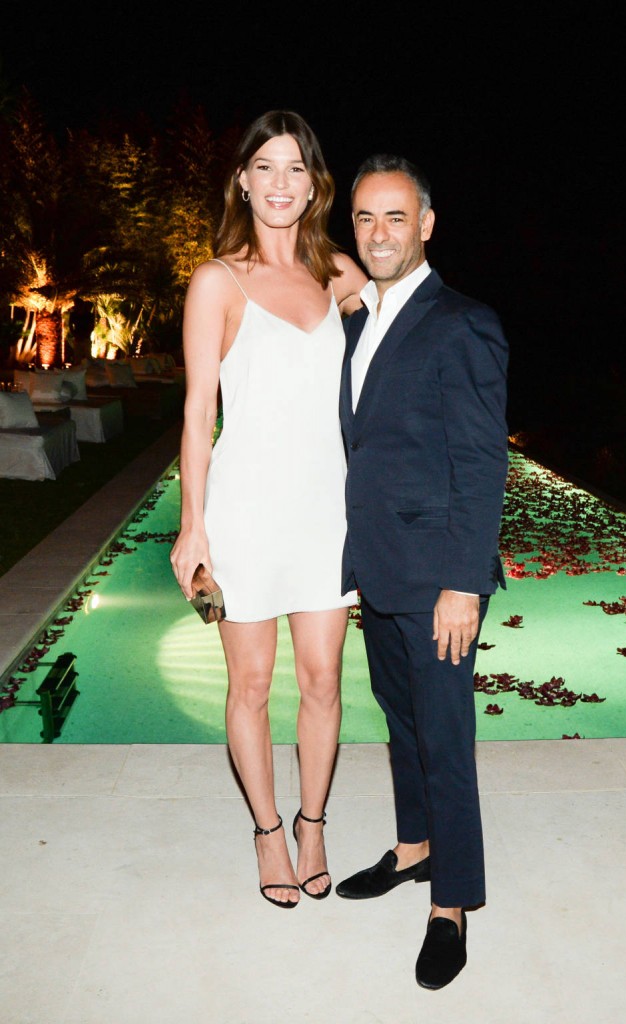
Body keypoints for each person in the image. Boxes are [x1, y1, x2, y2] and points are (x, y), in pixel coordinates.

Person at [170, 111, 367, 909]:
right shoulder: (217, 281)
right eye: (266, 167)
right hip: (245, 512)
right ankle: (267, 831)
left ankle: (312, 824)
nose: (281, 183)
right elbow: (197, 414)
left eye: (296, 168)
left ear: (315, 185)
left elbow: (399, 333)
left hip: (327, 512)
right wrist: (193, 526)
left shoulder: (339, 274)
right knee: (250, 685)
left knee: (323, 681)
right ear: (243, 182)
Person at [335, 155, 508, 989]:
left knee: (445, 739)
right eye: (365, 217)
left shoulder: (462, 323)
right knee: (402, 723)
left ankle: (452, 903)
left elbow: (480, 463)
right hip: (380, 567)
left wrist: (464, 584)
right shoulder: (360, 322)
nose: (379, 233)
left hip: (439, 578)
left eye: (396, 216)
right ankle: (413, 848)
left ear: (427, 225)